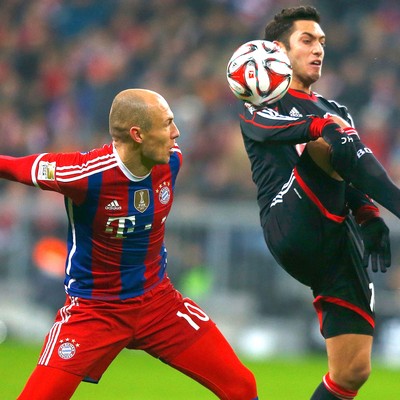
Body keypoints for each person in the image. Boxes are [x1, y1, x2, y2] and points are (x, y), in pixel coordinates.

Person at [0, 88, 258, 400]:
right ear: (137, 134)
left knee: (241, 386)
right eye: (167, 124)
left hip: (159, 305)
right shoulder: (84, 174)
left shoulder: (171, 162)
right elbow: (12, 166)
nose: (176, 133)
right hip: (94, 311)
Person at [238, 6, 399, 400]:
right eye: (307, 41)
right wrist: (322, 126)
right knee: (329, 139)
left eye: (322, 42)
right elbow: (316, 142)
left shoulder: (336, 111)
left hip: (333, 236)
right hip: (289, 221)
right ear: (277, 50)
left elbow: (349, 171)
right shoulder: (263, 102)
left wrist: (369, 215)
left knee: (351, 371)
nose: (318, 50)